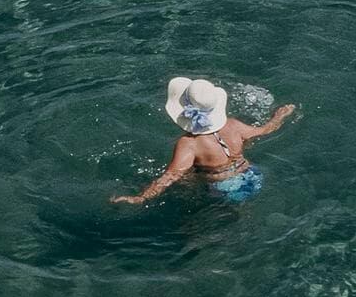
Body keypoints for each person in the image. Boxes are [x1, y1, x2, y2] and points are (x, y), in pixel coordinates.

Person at [111, 77, 296, 205]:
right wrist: (279, 116)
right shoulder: (233, 125)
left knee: (190, 220)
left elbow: (171, 175)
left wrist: (141, 197)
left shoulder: (188, 143)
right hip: (252, 175)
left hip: (223, 188)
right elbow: (264, 131)